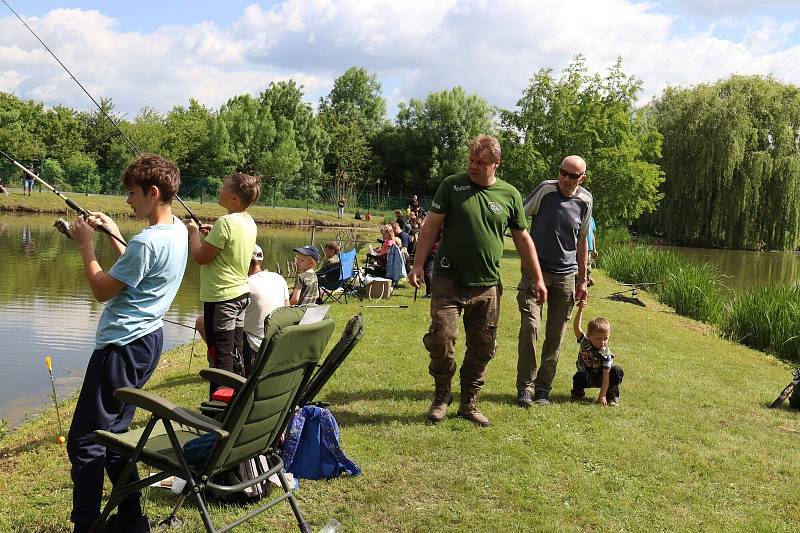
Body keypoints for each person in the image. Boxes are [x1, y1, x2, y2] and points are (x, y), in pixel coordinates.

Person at [66, 154, 187, 533]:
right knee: (116, 438)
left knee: (85, 442)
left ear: (153, 193)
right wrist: (114, 231)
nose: (128, 201)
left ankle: (85, 525)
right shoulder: (178, 230)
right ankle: (133, 521)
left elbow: (103, 289)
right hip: (146, 343)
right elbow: (137, 272)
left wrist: (86, 244)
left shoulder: (148, 242)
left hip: (120, 347)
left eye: (132, 194)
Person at [409, 134, 547, 427]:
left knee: (483, 347)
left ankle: (469, 402)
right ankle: (441, 395)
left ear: (497, 164)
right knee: (442, 338)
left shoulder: (509, 195)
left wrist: (537, 278)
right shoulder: (452, 185)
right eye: (471, 160)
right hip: (448, 279)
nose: (473, 166)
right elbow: (431, 225)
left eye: (481, 163)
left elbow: (523, 239)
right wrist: (418, 264)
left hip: (487, 285)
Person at [516, 155, 593, 407]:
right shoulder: (545, 189)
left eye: (573, 175)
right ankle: (525, 387)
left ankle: (542, 389)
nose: (567, 179)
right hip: (535, 271)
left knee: (555, 336)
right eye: (563, 172)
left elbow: (582, 241)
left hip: (566, 276)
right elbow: (519, 217)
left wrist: (583, 279)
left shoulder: (586, 200)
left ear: (582, 178)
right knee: (530, 328)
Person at [188, 173, 259, 392]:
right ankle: (235, 399)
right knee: (235, 349)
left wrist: (193, 233)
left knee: (220, 355)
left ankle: (220, 408)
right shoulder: (248, 221)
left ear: (235, 198)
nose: (220, 190)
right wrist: (212, 236)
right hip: (240, 295)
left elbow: (201, 257)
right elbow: (228, 248)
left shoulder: (226, 222)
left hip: (221, 298)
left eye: (224, 187)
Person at [242, 244, 290, 376]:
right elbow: (287, 309)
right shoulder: (279, 278)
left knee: (203, 322)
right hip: (277, 340)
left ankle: (221, 366)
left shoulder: (245, 284)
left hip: (254, 345)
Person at [571, 299, 623, 405]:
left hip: (602, 378)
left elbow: (606, 376)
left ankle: (611, 397)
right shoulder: (585, 341)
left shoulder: (606, 355)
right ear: (589, 336)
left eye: (605, 338)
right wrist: (580, 310)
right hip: (587, 375)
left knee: (617, 371)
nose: (603, 342)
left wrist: (601, 396)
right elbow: (576, 328)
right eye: (599, 338)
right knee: (579, 376)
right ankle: (577, 393)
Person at [587, 216, 597, 287]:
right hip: (581, 247)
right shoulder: (580, 216)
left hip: (589, 248)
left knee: (588, 266)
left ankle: (588, 280)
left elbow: (593, 235)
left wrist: (594, 249)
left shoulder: (591, 219)